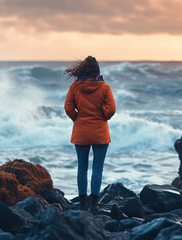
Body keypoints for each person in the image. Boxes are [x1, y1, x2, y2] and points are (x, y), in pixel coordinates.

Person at [64, 56, 116, 214]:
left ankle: (82, 204)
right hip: (100, 132)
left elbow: (68, 107)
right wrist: (104, 116)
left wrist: (77, 118)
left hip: (81, 132)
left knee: (82, 168)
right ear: (97, 71)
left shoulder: (75, 87)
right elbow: (111, 109)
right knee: (98, 169)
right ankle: (94, 205)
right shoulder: (104, 87)